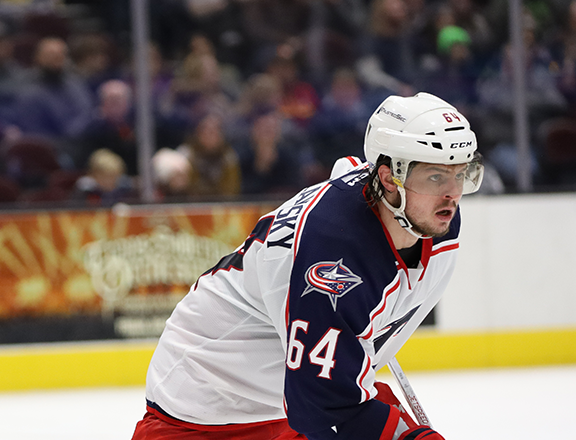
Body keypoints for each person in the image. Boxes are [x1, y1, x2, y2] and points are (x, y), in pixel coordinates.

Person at [133, 92, 483, 440]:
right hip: (202, 410)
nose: (453, 193)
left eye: (460, 174)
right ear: (390, 179)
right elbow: (323, 407)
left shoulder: (424, 214)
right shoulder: (331, 256)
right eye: (436, 176)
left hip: (295, 395)